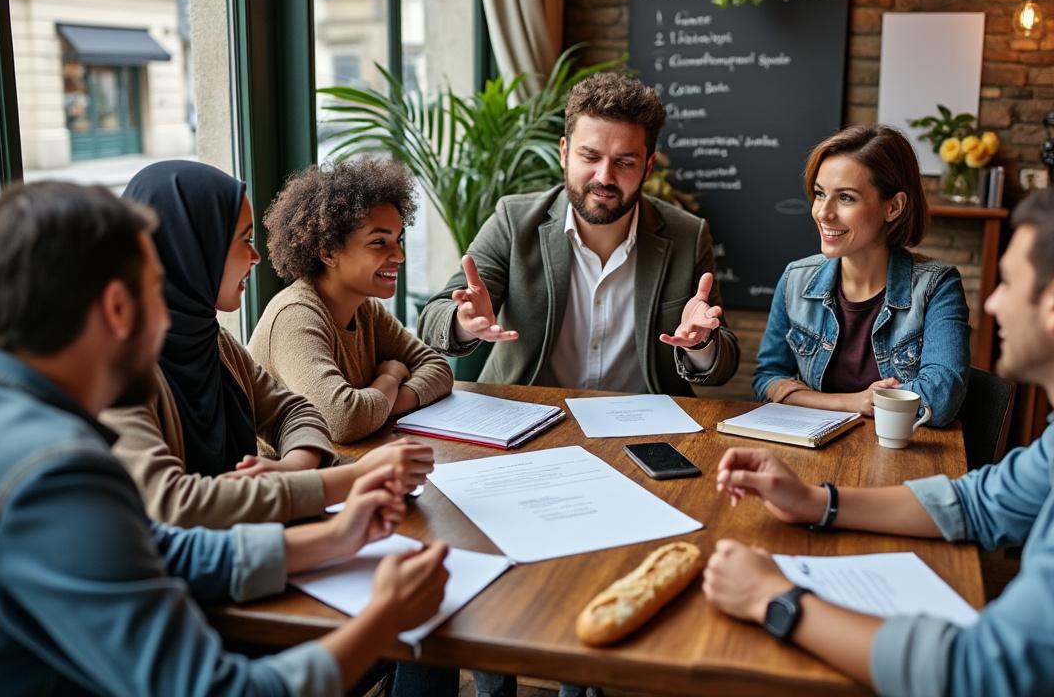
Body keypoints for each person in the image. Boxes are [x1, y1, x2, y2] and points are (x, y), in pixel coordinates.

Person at [0, 180, 450, 695]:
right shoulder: (55, 469)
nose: (175, 311)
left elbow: (149, 549)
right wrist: (384, 619)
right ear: (116, 307)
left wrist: (331, 540)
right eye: (158, 287)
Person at [705, 183, 1054, 696]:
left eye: (1007, 283)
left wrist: (774, 598)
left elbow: (980, 673)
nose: (995, 305)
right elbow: (978, 503)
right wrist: (815, 502)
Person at [103, 160, 434, 528]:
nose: (256, 257)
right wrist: (352, 479)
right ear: (193, 248)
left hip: (249, 546)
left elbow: (295, 412)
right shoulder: (112, 372)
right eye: (244, 240)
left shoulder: (211, 340)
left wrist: (290, 469)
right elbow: (173, 505)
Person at [418, 71, 739, 397]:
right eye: (590, 156)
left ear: (649, 166)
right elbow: (433, 319)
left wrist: (702, 343)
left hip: (644, 423)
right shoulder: (514, 221)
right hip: (529, 414)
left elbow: (723, 365)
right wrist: (463, 321)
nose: (604, 176)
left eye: (625, 162)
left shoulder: (688, 234)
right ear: (563, 153)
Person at [753, 125, 969, 425]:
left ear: (893, 207)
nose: (823, 213)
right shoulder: (795, 279)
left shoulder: (937, 285)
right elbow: (767, 380)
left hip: (896, 457)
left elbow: (941, 398)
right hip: (810, 450)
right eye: (819, 194)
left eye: (846, 198)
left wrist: (807, 399)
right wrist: (853, 402)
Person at [249, 158, 453, 444]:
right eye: (379, 242)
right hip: (287, 482)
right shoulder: (295, 317)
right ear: (329, 252)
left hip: (345, 467)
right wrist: (390, 378)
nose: (400, 256)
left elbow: (438, 369)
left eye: (399, 240)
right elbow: (344, 420)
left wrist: (380, 404)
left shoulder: (364, 309)